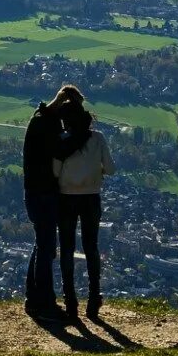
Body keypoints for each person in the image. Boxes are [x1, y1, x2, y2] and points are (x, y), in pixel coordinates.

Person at [54, 92, 114, 321]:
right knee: (91, 247)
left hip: (67, 197)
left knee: (67, 248)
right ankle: (93, 296)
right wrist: (94, 172)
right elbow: (110, 169)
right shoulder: (97, 138)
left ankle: (70, 299)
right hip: (91, 197)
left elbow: (54, 172)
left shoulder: (61, 140)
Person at [21, 97, 64, 319]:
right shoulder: (48, 126)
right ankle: (44, 301)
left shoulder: (38, 121)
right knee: (46, 247)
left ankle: (33, 296)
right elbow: (58, 154)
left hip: (34, 192)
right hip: (44, 193)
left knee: (41, 245)